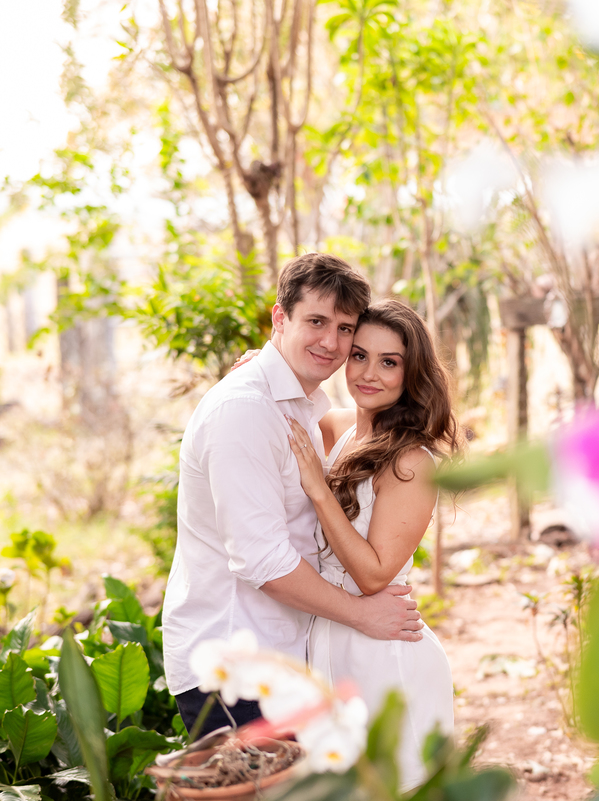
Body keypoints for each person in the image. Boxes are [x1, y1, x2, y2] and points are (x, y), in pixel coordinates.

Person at [161, 253, 424, 735]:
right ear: (280, 318)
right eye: (316, 322)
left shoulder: (300, 407)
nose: (332, 342)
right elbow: (262, 560)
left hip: (285, 657)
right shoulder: (246, 410)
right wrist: (363, 616)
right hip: (235, 665)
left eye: (345, 329)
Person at [285, 297, 458, 791]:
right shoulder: (337, 426)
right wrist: (261, 365)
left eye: (389, 362)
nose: (368, 373)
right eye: (359, 355)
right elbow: (276, 411)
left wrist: (320, 490)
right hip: (329, 636)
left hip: (384, 650)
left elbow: (375, 573)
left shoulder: (411, 461)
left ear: (412, 373)